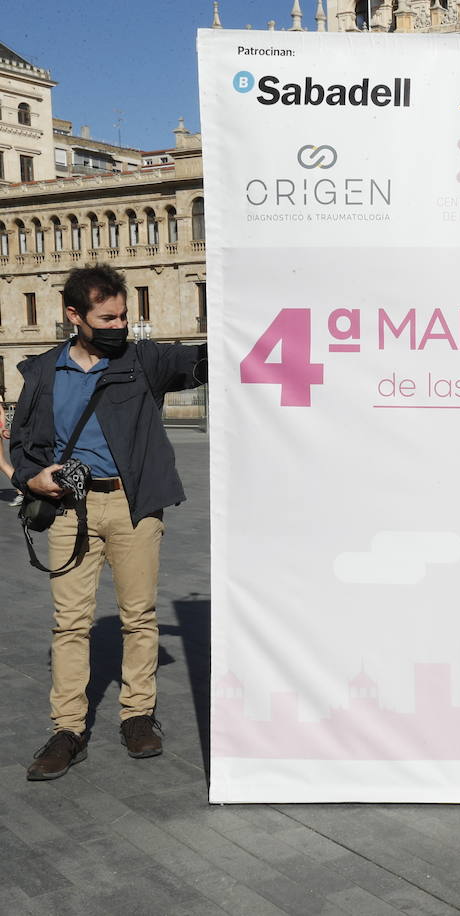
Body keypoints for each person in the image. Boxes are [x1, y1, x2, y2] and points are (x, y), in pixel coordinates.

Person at [9, 264, 207, 780]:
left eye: (125, 315)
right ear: (74, 315)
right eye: (108, 317)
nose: (121, 325)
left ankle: (138, 716)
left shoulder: (145, 360)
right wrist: (33, 478)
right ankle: (68, 729)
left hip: (132, 507)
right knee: (69, 623)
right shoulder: (43, 372)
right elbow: (22, 446)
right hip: (69, 510)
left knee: (138, 616)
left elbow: (205, 360)